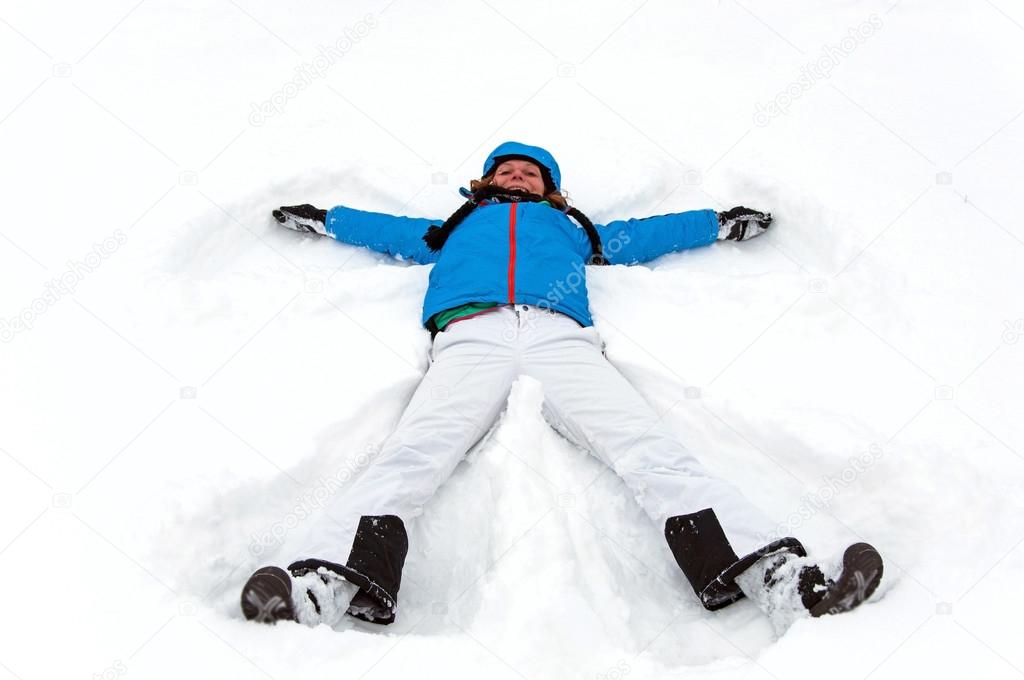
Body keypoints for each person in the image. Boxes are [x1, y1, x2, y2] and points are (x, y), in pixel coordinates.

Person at [240, 141, 882, 632]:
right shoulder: (454, 226)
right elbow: (382, 229)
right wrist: (324, 217)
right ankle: (320, 587)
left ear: (550, 187)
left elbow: (651, 233)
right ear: (485, 180)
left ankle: (786, 586)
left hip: (560, 339)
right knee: (411, 456)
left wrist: (716, 222)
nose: (516, 176)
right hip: (470, 337)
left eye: (530, 172)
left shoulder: (576, 231)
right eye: (505, 169)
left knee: (651, 450)